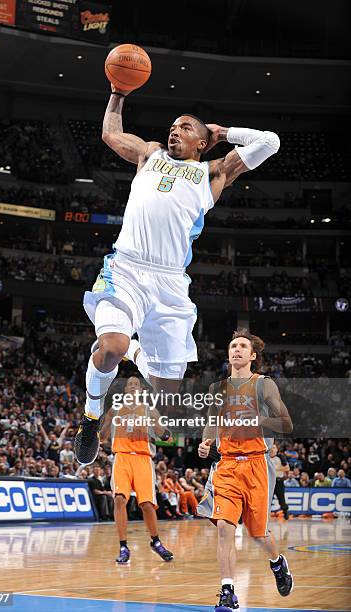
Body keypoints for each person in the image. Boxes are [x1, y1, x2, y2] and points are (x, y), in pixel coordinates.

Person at [74, 83, 281, 466]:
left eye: (186, 127)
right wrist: (118, 92)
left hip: (170, 283)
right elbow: (110, 133)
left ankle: (138, 352)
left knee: (166, 397)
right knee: (111, 348)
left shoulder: (214, 173)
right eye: (174, 125)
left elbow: (270, 142)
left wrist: (226, 133)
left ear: (203, 142)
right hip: (127, 268)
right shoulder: (150, 154)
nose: (175, 130)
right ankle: (89, 416)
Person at [197, 328, 294, 611]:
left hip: (257, 465)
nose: (236, 349)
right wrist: (205, 444)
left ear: (252, 355)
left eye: (242, 346)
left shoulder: (264, 385)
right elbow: (211, 424)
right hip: (226, 465)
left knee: (258, 534)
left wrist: (260, 419)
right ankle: (227, 591)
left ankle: (277, 563)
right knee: (225, 529)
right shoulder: (217, 389)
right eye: (232, 346)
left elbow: (286, 425)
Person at [100, 376, 173, 563]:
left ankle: (156, 542)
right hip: (122, 458)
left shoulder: (149, 410)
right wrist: (93, 432)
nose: (133, 387)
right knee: (119, 499)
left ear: (141, 390)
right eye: (130, 384)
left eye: (136, 385)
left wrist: (161, 431)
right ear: (125, 390)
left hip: (143, 459)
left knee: (147, 505)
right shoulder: (115, 409)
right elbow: (104, 434)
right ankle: (123, 546)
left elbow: (165, 434)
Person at [269, 443, 290, 519]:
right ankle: (266, 515)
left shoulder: (280, 458)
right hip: (269, 482)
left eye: (274, 448)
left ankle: (285, 512)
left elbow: (287, 468)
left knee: (281, 499)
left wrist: (286, 476)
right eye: (271, 447)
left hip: (278, 481)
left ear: (277, 450)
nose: (272, 449)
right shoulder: (266, 457)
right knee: (268, 500)